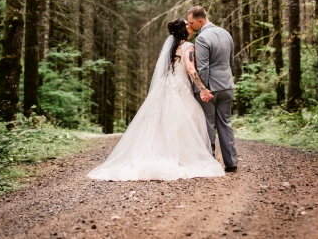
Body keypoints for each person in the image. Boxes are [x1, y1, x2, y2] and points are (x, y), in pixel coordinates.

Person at [87, 17, 225, 181]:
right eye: (186, 24)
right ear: (183, 30)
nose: (189, 25)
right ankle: (180, 158)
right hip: (179, 88)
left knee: (165, 122)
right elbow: (190, 69)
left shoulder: (171, 47)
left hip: (166, 86)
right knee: (184, 120)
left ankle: (165, 154)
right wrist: (203, 88)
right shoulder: (188, 46)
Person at [186, 6, 238, 172]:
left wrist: (203, 89)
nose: (190, 25)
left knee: (207, 123)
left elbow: (203, 67)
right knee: (225, 123)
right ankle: (231, 163)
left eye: (192, 22)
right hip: (227, 85)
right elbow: (231, 62)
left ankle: (209, 163)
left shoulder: (202, 38)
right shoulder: (226, 34)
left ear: (200, 21)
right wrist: (227, 80)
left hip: (210, 88)